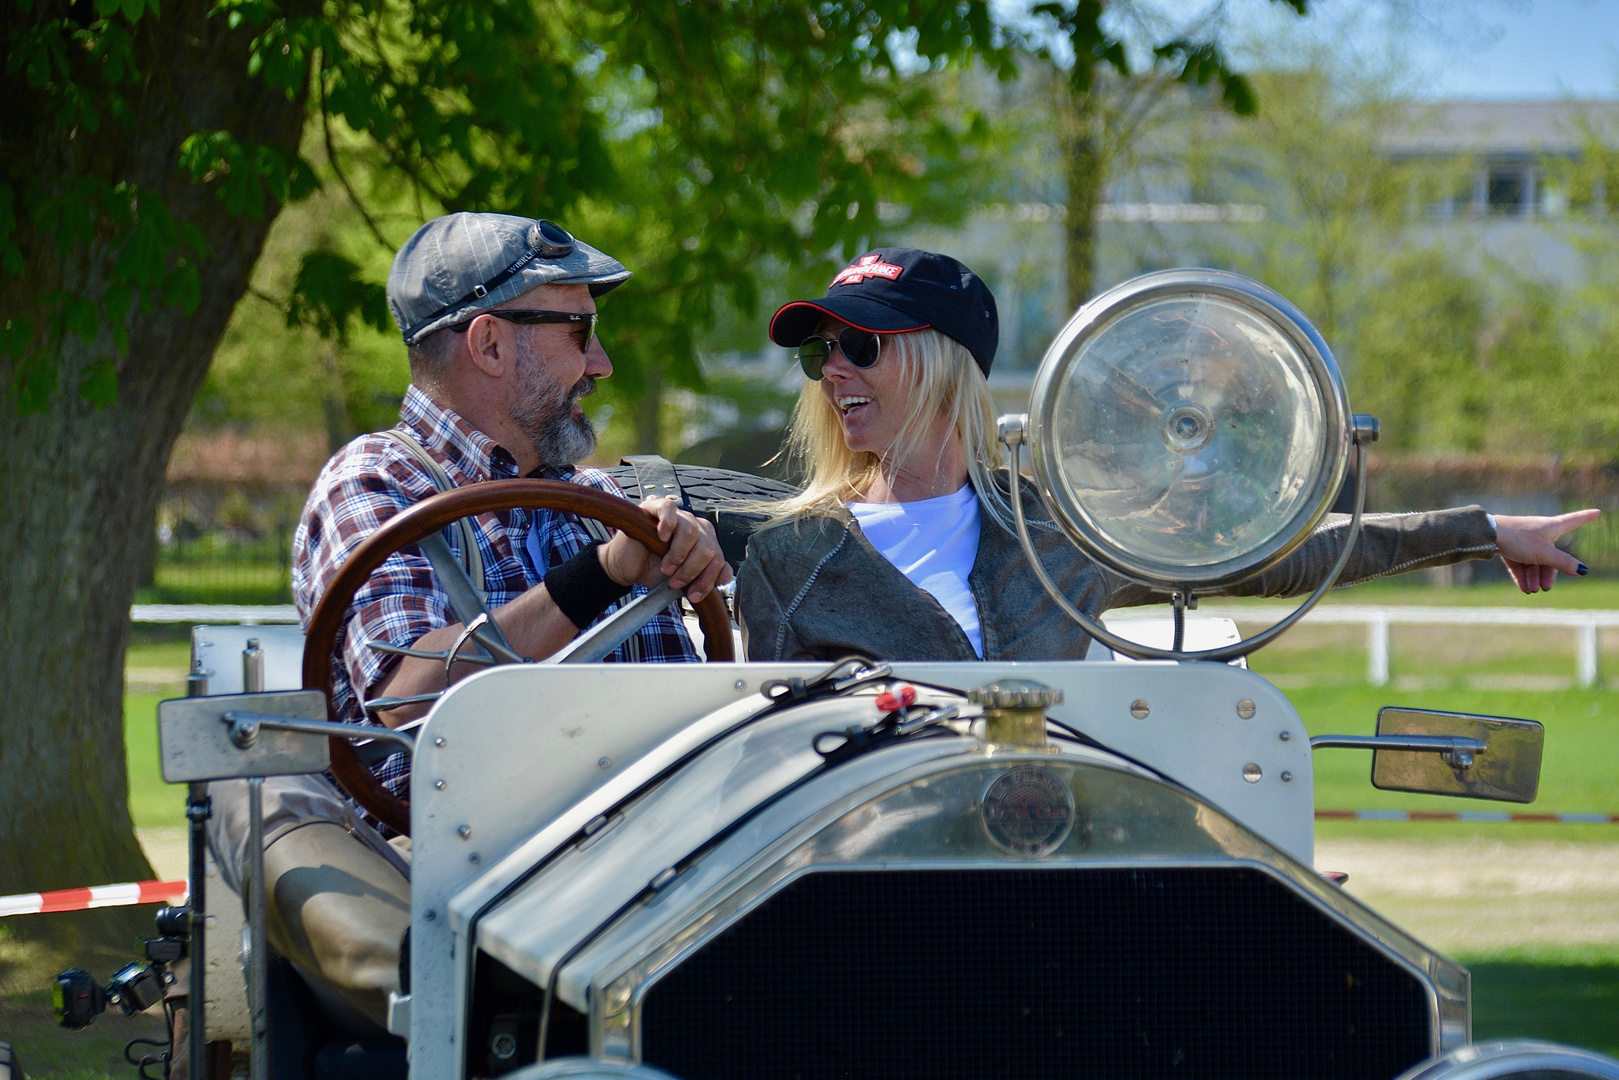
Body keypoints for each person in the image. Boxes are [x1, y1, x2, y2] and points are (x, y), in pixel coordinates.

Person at [200, 213, 731, 1044]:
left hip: (655, 874)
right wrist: (601, 576)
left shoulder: (601, 503)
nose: (602, 363)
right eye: (581, 331)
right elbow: (406, 705)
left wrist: (694, 561)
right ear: (488, 344)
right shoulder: (375, 484)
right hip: (460, 885)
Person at [735, 247, 1598, 662]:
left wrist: (1482, 530)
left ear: (940, 362)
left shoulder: (1050, 528)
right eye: (820, 353)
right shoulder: (789, 556)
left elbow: (1272, 553)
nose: (832, 372)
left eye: (861, 346)